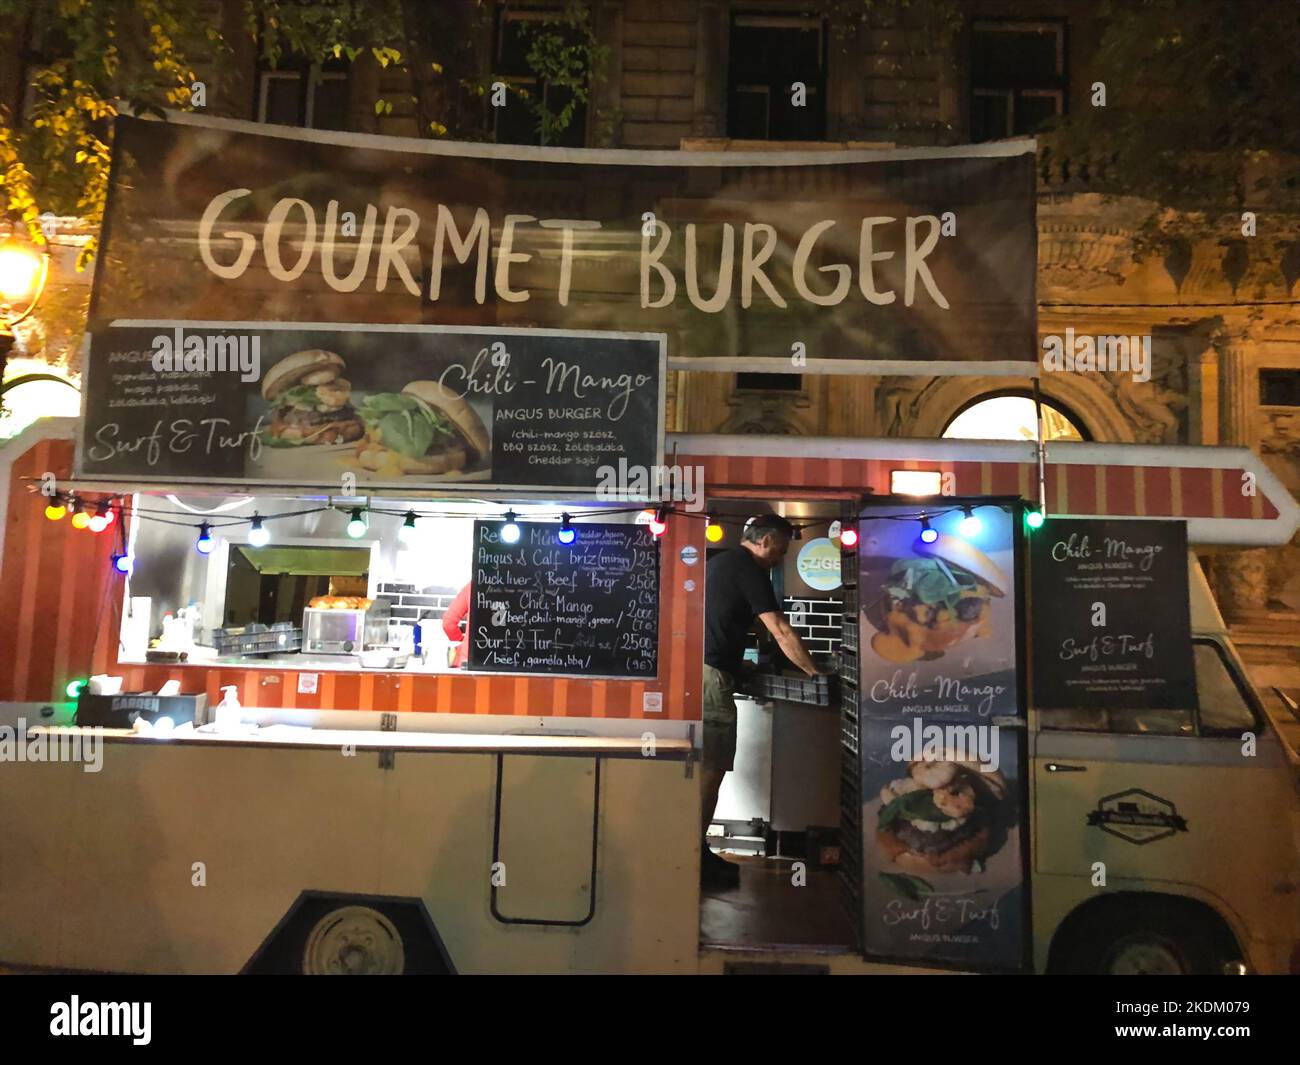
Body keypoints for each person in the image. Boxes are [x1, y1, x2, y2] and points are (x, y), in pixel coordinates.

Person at [701, 513, 825, 888]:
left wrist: (739, 665)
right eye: (783, 550)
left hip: (707, 670)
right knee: (711, 769)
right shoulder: (749, 569)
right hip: (711, 679)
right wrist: (815, 674)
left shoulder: (722, 562)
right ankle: (695, 857)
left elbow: (718, 623)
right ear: (767, 541)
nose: (781, 557)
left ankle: (695, 852)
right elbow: (780, 629)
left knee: (709, 769)